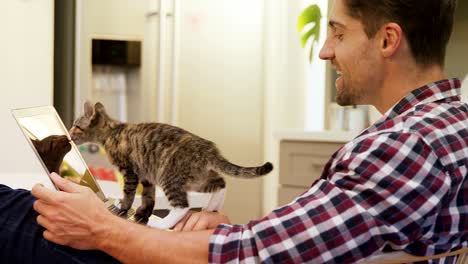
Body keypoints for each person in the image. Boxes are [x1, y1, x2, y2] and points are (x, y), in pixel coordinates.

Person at [1, 0, 466, 262]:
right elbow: (289, 242)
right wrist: (228, 233)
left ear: (387, 40)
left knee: (13, 207)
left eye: (338, 34)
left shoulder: (407, 147)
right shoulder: (448, 124)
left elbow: (253, 257)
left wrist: (103, 230)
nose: (324, 51)